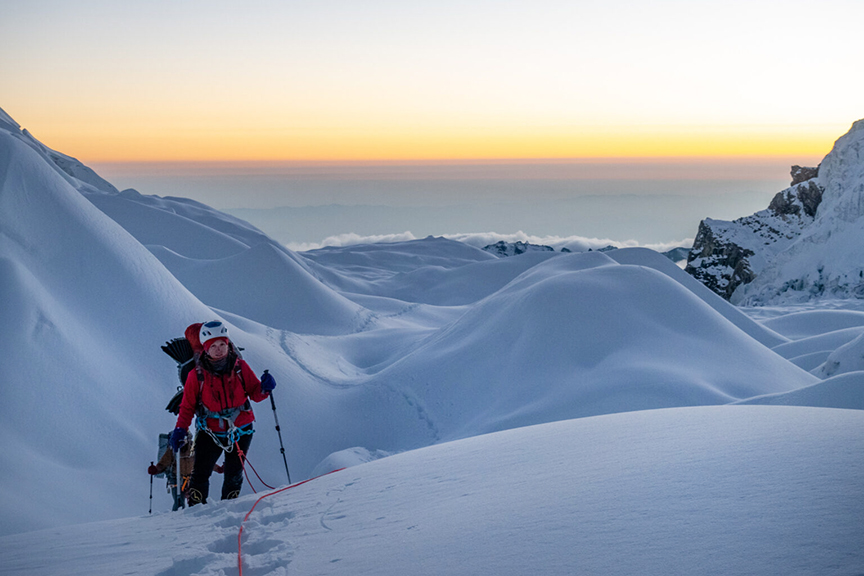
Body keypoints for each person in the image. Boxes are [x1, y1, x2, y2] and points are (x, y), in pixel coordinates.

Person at [169, 320, 276, 505]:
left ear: (228, 345)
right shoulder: (196, 375)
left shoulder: (240, 367)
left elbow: (255, 393)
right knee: (200, 473)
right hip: (210, 431)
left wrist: (264, 389)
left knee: (234, 472)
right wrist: (180, 429)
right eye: (214, 346)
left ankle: (228, 508)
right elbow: (187, 407)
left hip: (241, 430)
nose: (219, 349)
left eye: (222, 345)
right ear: (205, 348)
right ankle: (196, 513)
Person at [147, 430, 194, 510]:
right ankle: (178, 518)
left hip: (190, 479)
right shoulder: (172, 449)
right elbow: (163, 463)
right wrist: (155, 470)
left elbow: (204, 462)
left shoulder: (194, 447)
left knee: (194, 501)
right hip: (176, 479)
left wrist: (218, 469)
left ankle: (187, 519)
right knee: (179, 502)